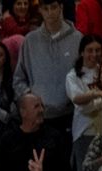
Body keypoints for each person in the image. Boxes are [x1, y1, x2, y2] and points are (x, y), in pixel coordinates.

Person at [13, 0, 81, 129]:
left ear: (61, 7)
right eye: (46, 8)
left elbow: (86, 75)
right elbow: (18, 79)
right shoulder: (30, 41)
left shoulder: (78, 39)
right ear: (40, 10)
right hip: (40, 118)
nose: (50, 12)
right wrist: (31, 100)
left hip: (71, 116)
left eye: (54, 7)